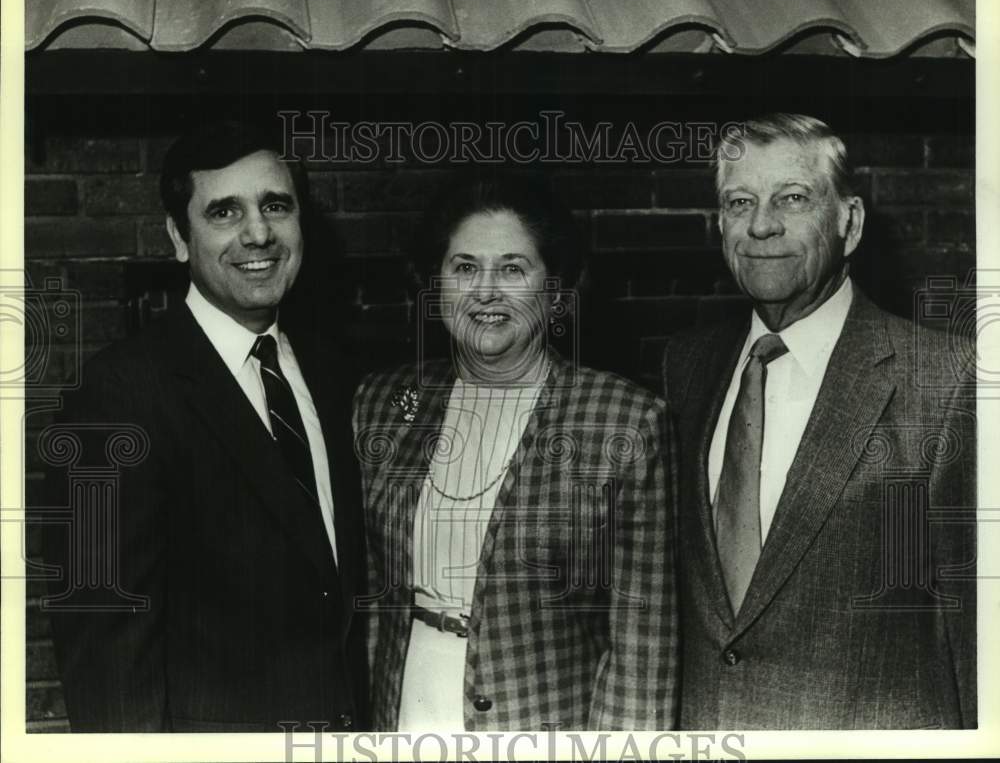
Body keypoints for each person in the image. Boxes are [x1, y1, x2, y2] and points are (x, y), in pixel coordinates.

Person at [41, 120, 365, 731]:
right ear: (178, 237)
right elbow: (104, 645)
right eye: (224, 212)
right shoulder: (116, 393)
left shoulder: (332, 373)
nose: (259, 233)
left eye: (275, 205)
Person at [662, 113, 976, 729]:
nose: (761, 225)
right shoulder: (687, 365)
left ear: (849, 223)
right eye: (739, 202)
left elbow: (978, 634)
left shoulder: (947, 377)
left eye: (793, 198)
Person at [353, 173, 678, 731]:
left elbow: (644, 642)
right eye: (464, 267)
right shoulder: (383, 404)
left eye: (512, 268)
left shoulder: (624, 419)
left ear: (553, 292)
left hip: (544, 721)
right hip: (405, 708)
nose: (485, 291)